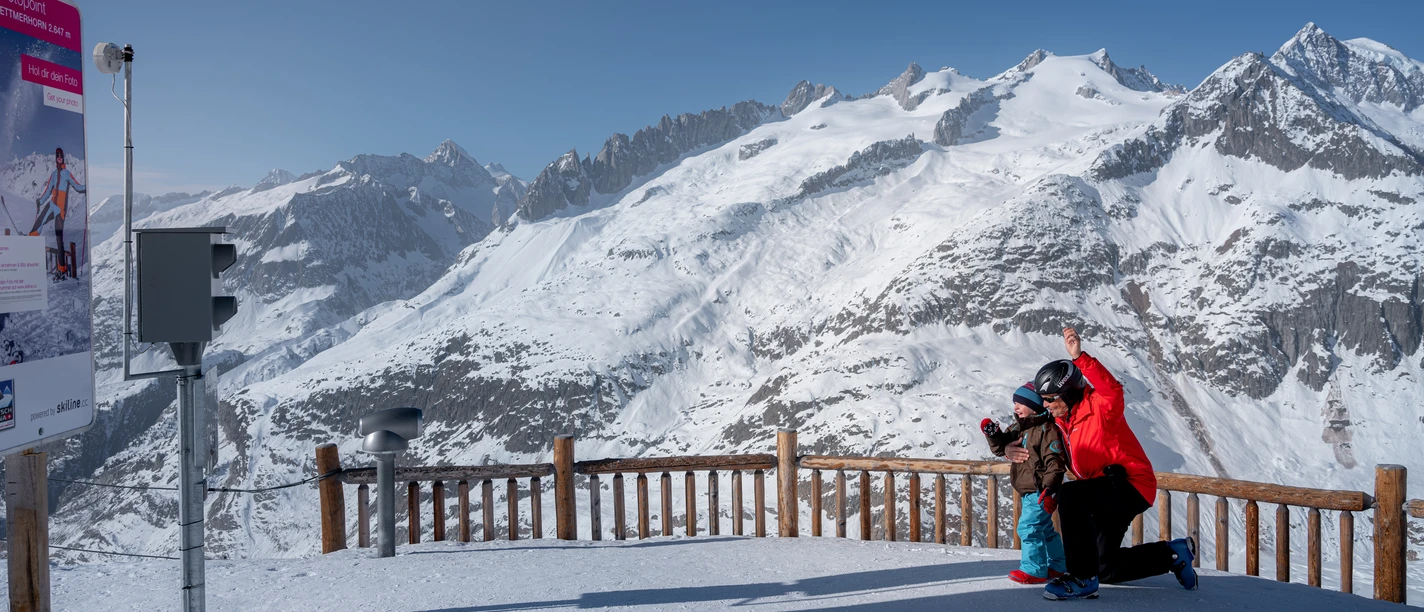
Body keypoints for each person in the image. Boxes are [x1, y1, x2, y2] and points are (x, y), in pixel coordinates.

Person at [1005, 327, 1197, 600]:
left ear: (1068, 393)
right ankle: (1173, 554)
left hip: (1131, 484)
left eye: (1050, 399)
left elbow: (1111, 388)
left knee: (1071, 495)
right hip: (1102, 489)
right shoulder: (1061, 421)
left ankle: (1081, 579)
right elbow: (1029, 434)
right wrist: (1008, 449)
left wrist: (1079, 357)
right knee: (1104, 566)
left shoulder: (1100, 405)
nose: (1045, 405)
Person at [981, 382, 1067, 584]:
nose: (1015, 408)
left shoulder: (1047, 430)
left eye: (1020, 403)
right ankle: (1058, 565)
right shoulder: (1018, 428)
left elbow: (1055, 462)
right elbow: (1001, 448)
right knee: (1044, 529)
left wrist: (1049, 488)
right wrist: (993, 435)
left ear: (1035, 405)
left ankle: (1034, 570)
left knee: (1028, 528)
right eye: (1015, 404)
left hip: (1040, 490)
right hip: (1029, 490)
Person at [29, 147, 85, 275]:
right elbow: (48, 190)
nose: (59, 157)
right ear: (56, 158)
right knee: (39, 223)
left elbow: (77, 186)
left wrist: (87, 187)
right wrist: (40, 201)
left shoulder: (67, 173)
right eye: (57, 156)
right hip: (52, 205)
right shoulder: (53, 174)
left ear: (63, 158)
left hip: (60, 210)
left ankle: (62, 268)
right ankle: (30, 242)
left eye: (61, 155)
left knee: (59, 238)